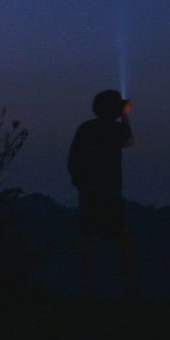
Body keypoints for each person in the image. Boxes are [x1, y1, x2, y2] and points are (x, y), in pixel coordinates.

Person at [68, 89, 134, 298]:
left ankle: (89, 290)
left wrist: (80, 183)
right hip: (111, 193)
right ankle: (130, 289)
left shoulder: (85, 128)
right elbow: (129, 141)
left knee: (89, 241)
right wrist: (125, 115)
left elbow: (73, 159)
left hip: (89, 193)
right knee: (123, 239)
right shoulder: (115, 129)